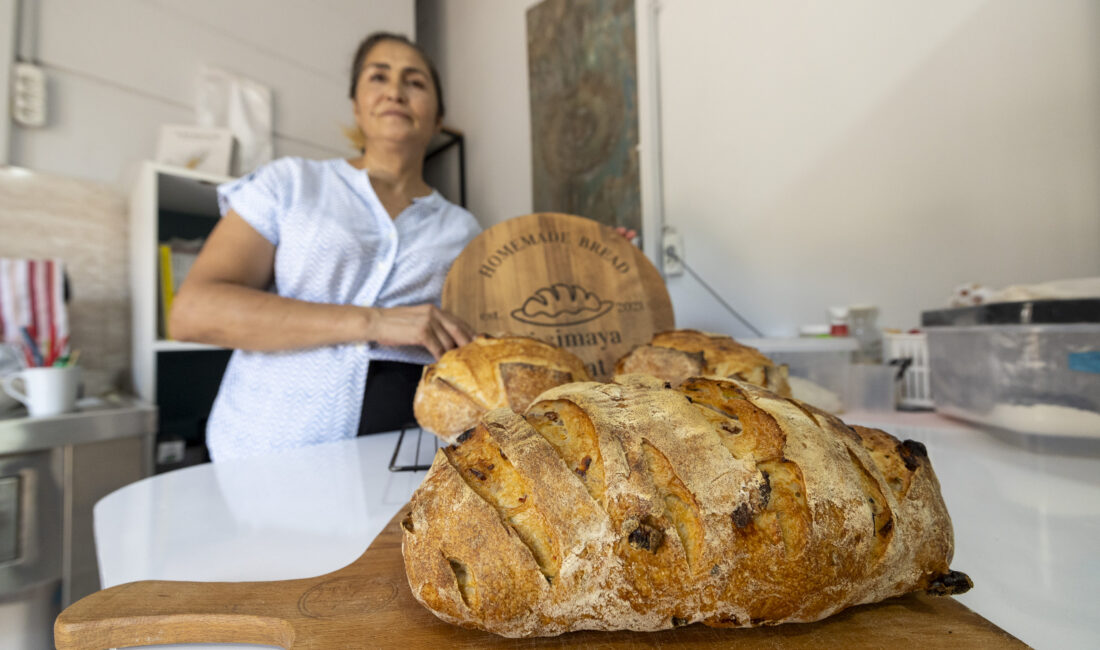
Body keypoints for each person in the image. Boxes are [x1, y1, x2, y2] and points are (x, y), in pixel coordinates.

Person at [171, 32, 480, 461]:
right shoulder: (290, 183)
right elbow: (193, 312)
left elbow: (497, 333)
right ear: (356, 105)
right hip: (263, 461)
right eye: (378, 77)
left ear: (438, 114)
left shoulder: (463, 229)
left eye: (415, 82)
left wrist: (605, 254)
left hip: (408, 466)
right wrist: (375, 322)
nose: (395, 91)